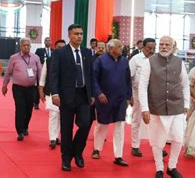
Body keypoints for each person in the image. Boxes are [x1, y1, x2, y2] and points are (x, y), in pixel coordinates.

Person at [138, 35, 189, 178]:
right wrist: (144, 108)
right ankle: (159, 168)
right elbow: (142, 86)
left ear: (173, 47)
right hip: (156, 108)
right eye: (161, 44)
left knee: (178, 138)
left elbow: (185, 84)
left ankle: (172, 167)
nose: (164, 47)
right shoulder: (150, 62)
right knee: (157, 139)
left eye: (167, 44)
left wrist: (186, 104)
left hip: (176, 106)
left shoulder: (179, 62)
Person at [50, 24, 94, 172]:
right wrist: (54, 93)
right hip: (66, 96)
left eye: (81, 34)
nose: (79, 36)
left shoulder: (88, 53)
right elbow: (54, 75)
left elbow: (90, 75)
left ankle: (78, 151)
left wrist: (92, 93)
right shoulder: (60, 53)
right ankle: (66, 158)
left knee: (85, 124)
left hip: (83, 95)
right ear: (69, 35)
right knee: (67, 129)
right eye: (76, 34)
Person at [91, 39, 132, 167]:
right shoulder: (100, 60)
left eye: (122, 46)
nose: (122, 48)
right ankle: (97, 148)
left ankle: (118, 156)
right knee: (102, 124)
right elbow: (93, 79)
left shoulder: (125, 61)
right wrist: (99, 93)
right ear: (111, 49)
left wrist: (129, 96)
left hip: (120, 99)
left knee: (120, 126)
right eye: (119, 46)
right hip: (104, 99)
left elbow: (128, 80)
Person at [2, 38, 42, 141]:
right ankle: (19, 131)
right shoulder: (14, 58)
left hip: (31, 88)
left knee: (29, 109)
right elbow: (8, 73)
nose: (27, 47)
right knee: (20, 108)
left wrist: (41, 86)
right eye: (24, 45)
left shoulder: (35, 58)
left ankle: (25, 127)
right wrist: (4, 85)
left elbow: (40, 73)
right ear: (21, 46)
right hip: (18, 88)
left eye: (28, 45)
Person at [129, 38, 156, 157]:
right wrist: (129, 95)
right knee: (137, 120)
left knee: (154, 121)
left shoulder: (156, 59)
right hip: (137, 93)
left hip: (153, 94)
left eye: (153, 48)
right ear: (143, 47)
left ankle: (156, 146)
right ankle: (135, 146)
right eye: (149, 48)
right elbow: (129, 77)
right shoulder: (136, 59)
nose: (151, 50)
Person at [38, 39, 66, 149]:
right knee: (54, 115)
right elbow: (43, 77)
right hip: (51, 92)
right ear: (55, 48)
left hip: (65, 93)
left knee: (62, 116)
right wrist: (41, 91)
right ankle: (53, 138)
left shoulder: (69, 60)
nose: (61, 49)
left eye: (63, 47)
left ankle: (58, 136)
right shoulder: (49, 60)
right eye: (59, 47)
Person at [34, 37, 53, 109]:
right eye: (46, 41)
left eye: (49, 40)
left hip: (50, 72)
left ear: (51, 42)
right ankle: (36, 103)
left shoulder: (54, 51)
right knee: (39, 87)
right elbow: (35, 59)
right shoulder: (39, 50)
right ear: (44, 42)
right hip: (41, 71)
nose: (48, 42)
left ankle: (49, 103)